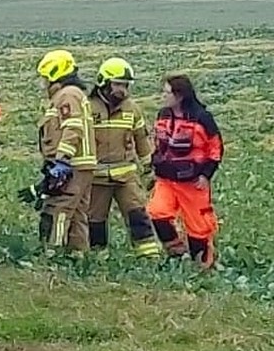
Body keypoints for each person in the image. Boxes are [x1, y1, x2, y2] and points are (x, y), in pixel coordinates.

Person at [87, 57, 162, 258]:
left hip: (126, 176)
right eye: (118, 84)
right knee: (94, 222)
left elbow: (142, 140)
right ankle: (97, 259)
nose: (123, 90)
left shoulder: (132, 109)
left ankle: (149, 256)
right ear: (104, 83)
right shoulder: (88, 108)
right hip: (96, 178)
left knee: (138, 215)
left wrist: (149, 169)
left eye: (126, 85)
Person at [147, 74, 223, 269]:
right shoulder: (163, 115)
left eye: (166, 93)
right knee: (157, 212)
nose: (163, 96)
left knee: (198, 226)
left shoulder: (202, 118)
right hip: (166, 180)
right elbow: (158, 144)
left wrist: (206, 175)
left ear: (179, 95)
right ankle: (176, 253)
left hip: (193, 182)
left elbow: (215, 149)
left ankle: (203, 265)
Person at [31, 49, 97, 254]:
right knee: (77, 213)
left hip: (72, 165)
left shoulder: (67, 95)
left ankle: (54, 251)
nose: (42, 83)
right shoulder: (72, 94)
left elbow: (72, 127)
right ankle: (77, 254)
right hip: (80, 165)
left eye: (44, 78)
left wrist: (62, 160)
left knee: (59, 208)